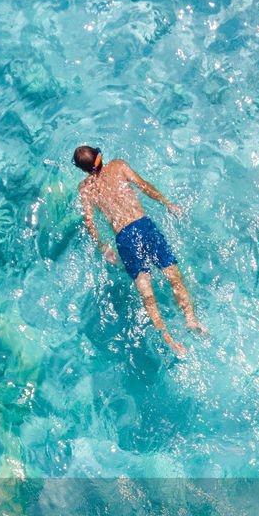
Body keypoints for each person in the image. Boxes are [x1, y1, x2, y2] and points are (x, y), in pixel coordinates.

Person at [73, 145, 204, 357]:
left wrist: (102, 246)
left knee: (147, 295)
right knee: (174, 277)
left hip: (125, 238)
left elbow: (89, 223)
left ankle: (169, 340)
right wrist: (166, 202)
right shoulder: (118, 165)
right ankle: (191, 319)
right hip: (144, 226)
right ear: (100, 156)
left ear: (82, 170)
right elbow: (143, 186)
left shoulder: (85, 188)